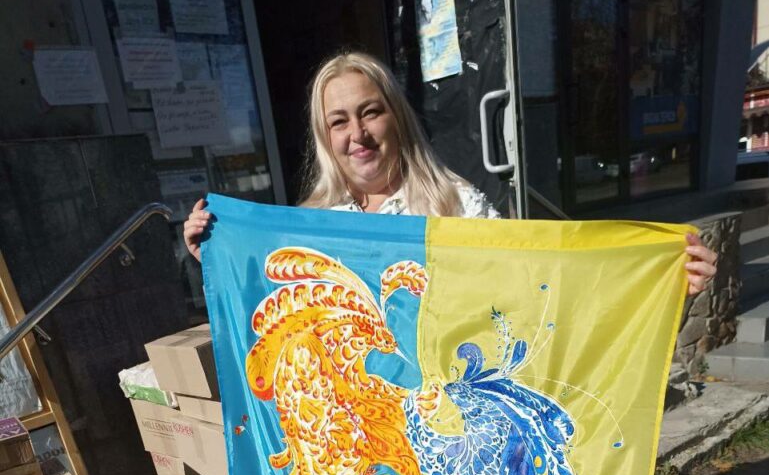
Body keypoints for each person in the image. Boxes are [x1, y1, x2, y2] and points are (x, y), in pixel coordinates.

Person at [183, 51, 716, 294]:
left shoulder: (455, 204)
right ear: (326, 138)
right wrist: (215, 255)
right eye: (339, 121)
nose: (357, 134)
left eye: (370, 112)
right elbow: (266, 306)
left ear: (397, 117)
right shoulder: (308, 226)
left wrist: (658, 278)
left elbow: (537, 288)